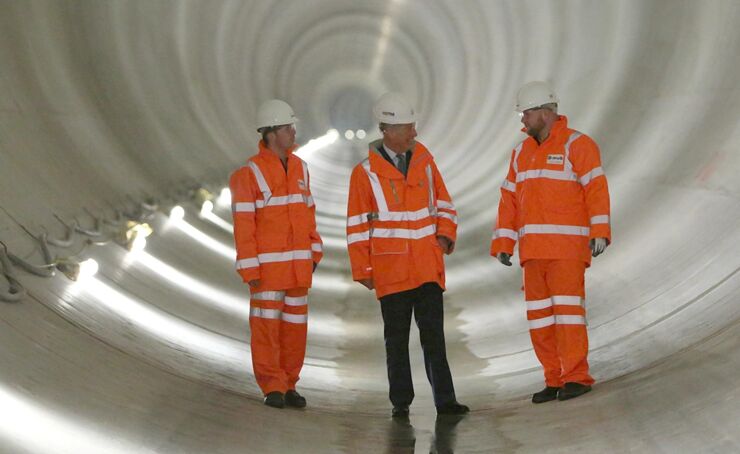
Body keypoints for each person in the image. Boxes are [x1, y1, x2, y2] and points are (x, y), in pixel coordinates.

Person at [346, 92, 469, 418]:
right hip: (392, 268)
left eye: (413, 127)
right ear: (387, 130)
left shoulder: (426, 163)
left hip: (427, 264)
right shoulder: (365, 174)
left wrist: (445, 234)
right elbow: (357, 224)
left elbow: (444, 203)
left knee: (434, 338)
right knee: (396, 342)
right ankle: (401, 401)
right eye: (406, 128)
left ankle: (446, 401)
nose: (413, 133)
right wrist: (363, 268)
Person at [490, 81, 611, 403]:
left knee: (568, 316)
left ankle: (576, 376)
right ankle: (554, 378)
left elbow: (595, 189)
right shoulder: (521, 153)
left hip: (566, 251)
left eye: (527, 113)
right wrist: (504, 241)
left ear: (546, 112)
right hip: (534, 254)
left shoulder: (577, 145)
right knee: (541, 319)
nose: (523, 120)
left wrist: (600, 231)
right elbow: (509, 200)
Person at [230, 99, 323, 409]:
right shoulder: (250, 174)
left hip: (298, 268)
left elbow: (309, 213)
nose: (293, 132)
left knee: (295, 331)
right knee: (267, 329)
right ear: (271, 133)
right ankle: (272, 386)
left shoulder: (301, 169)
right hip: (267, 271)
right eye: (287, 128)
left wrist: (314, 250)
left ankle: (290, 383)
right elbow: (244, 225)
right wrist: (250, 268)